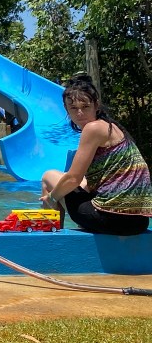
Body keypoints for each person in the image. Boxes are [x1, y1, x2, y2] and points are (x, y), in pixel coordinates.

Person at [39, 74, 151, 235]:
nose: (80, 113)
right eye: (73, 108)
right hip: (139, 222)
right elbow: (89, 182)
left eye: (85, 107)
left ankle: (51, 239)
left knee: (48, 177)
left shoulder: (93, 129)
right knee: (80, 183)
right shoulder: (112, 127)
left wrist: (51, 198)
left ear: (96, 105)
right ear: (66, 109)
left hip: (111, 219)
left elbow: (73, 178)